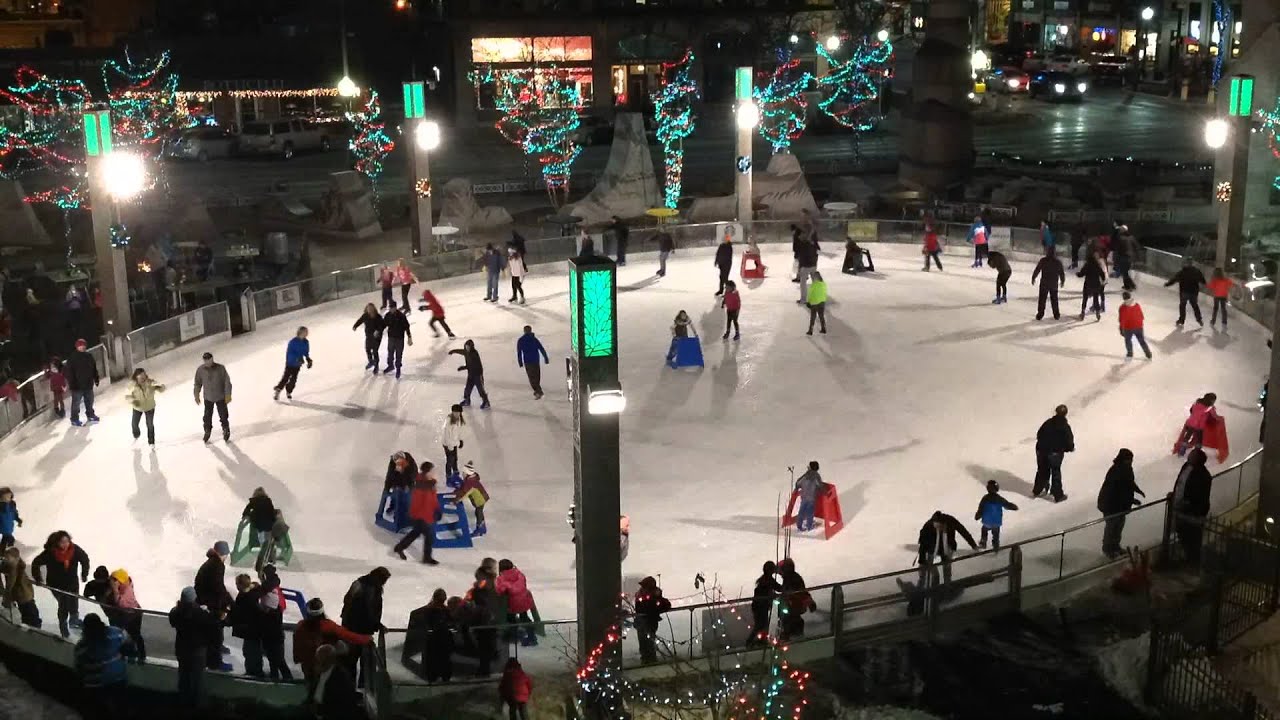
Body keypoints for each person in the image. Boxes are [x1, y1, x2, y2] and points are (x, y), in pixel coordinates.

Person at [294, 597, 372, 693]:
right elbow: (349, 636)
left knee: (311, 686)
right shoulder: (328, 626)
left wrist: (298, 658)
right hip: (324, 664)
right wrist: (366, 639)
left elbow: (297, 645)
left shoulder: (300, 626)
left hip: (307, 665)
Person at [31, 530, 90, 638]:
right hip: (56, 585)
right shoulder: (51, 553)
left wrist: (84, 573)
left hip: (72, 583)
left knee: (73, 602)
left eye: (67, 541)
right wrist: (38, 578)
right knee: (64, 605)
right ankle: (63, 627)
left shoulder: (74, 550)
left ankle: (74, 620)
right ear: (57, 542)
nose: (65, 544)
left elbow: (84, 559)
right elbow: (36, 563)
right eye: (62, 542)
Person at [169, 586, 221, 707]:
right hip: (197, 651)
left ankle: (183, 703)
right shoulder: (201, 614)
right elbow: (213, 629)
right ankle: (198, 705)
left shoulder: (176, 612)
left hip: (182, 649)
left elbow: (172, 619)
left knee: (184, 677)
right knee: (198, 679)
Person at [74, 612, 132, 716]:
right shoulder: (116, 633)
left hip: (95, 686)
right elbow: (129, 646)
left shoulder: (82, 646)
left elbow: (79, 669)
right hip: (118, 680)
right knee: (121, 709)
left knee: (98, 711)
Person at [341, 567, 391, 685]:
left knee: (366, 662)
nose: (384, 583)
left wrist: (377, 624)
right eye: (383, 580)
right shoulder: (360, 585)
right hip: (354, 631)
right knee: (352, 661)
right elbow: (349, 602)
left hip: (363, 631)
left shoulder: (373, 587)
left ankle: (363, 687)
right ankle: (351, 687)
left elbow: (371, 611)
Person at [1096, 449, 1144, 558]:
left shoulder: (1127, 469)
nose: (1131, 461)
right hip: (1111, 506)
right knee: (1112, 527)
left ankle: (1115, 546)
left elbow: (1129, 484)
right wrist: (1132, 500)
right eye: (1129, 459)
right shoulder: (1116, 471)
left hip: (1120, 506)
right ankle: (1108, 549)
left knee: (1118, 527)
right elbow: (1117, 491)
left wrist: (1137, 491)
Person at [194, 540, 233, 672]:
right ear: (224, 554)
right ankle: (215, 662)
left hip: (205, 601)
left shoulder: (210, 563)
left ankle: (216, 651)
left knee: (214, 631)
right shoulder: (217, 565)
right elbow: (218, 587)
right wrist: (226, 603)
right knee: (215, 633)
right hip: (210, 603)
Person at [393, 465, 440, 565]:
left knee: (416, 533)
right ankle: (427, 558)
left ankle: (399, 547)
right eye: (432, 471)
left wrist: (437, 509)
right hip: (420, 515)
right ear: (427, 472)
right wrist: (423, 515)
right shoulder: (420, 485)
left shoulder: (431, 484)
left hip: (425, 514)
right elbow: (418, 502)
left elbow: (433, 499)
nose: (434, 473)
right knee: (429, 535)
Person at [916, 511, 978, 586]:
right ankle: (931, 582)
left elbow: (962, 530)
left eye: (940, 526)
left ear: (944, 524)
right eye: (936, 526)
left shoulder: (951, 521)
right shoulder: (928, 526)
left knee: (947, 565)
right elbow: (922, 545)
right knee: (930, 567)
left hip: (947, 547)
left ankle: (947, 584)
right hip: (932, 547)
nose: (938, 528)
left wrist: (973, 545)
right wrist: (922, 561)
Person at [1172, 448, 1212, 562]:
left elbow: (1200, 495)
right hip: (1181, 507)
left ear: (1197, 459)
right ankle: (1187, 557)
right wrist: (1174, 494)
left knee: (1192, 536)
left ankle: (1193, 560)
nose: (1189, 456)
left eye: (1192, 455)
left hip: (1193, 512)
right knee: (1181, 532)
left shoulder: (1204, 475)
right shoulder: (1186, 466)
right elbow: (1180, 482)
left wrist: (1188, 503)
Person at [1033, 405, 1074, 502]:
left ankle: (1037, 490)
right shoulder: (1065, 427)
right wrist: (1068, 448)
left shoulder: (1048, 423)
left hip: (1041, 450)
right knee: (1056, 472)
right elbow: (1069, 442)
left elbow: (1039, 434)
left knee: (1042, 470)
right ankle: (1058, 495)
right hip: (1055, 453)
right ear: (1065, 413)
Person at [311, 644, 362, 718]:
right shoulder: (320, 674)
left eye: (318, 660)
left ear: (328, 661)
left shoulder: (340, 678)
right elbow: (312, 696)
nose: (315, 662)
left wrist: (317, 709)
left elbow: (337, 706)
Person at [229, 573, 265, 677]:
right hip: (254, 629)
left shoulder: (245, 598)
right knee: (252, 651)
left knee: (250, 651)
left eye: (237, 584)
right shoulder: (254, 592)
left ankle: (254, 671)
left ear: (241, 585)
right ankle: (254, 670)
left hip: (250, 629)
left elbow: (238, 613)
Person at [193, 352, 232, 444]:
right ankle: (207, 430)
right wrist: (196, 395)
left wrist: (228, 394)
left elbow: (227, 382)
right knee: (207, 416)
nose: (207, 362)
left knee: (223, 415)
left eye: (209, 360)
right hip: (208, 397)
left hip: (220, 396)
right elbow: (197, 383)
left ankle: (226, 429)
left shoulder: (220, 368)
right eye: (205, 360)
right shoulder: (200, 370)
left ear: (212, 359)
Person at [497, 559, 536, 646]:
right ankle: (532, 636)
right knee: (524, 617)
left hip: (512, 605)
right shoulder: (520, 574)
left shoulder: (501, 579)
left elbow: (500, 590)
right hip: (524, 601)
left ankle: (514, 635)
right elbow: (523, 584)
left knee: (511, 619)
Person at [633, 576, 671, 663]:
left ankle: (649, 659)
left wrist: (657, 600)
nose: (642, 588)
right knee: (645, 642)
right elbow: (643, 608)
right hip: (644, 621)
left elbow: (663, 605)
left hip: (648, 622)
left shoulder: (649, 596)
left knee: (647, 641)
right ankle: (648, 658)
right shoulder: (643, 596)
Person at [2, 546, 40, 628]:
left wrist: (7, 596)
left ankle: (34, 627)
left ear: (16, 558)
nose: (6, 559)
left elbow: (10, 584)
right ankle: (30, 625)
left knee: (30, 613)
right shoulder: (14, 565)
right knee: (26, 612)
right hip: (23, 595)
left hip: (24, 595)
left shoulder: (14, 568)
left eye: (8, 558)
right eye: (5, 557)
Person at [778, 558, 815, 640]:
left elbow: (802, 592)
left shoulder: (793, 579)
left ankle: (791, 634)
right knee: (789, 619)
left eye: (781, 570)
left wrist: (810, 602)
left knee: (791, 619)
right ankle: (790, 633)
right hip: (791, 604)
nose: (780, 574)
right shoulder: (788, 578)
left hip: (794, 604)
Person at [126, 367, 165, 445]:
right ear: (136, 377)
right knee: (134, 424)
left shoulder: (150, 382)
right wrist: (133, 401)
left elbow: (161, 389)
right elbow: (127, 395)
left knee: (150, 425)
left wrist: (161, 386)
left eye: (144, 375)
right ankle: (136, 435)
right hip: (138, 407)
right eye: (141, 376)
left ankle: (151, 443)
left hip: (149, 407)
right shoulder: (132, 385)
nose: (143, 378)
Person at [974, 480, 1018, 550]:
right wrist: (1014, 507)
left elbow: (981, 509)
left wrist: (977, 516)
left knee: (984, 530)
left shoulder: (985, 498)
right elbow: (1007, 505)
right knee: (996, 533)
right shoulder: (999, 498)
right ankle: (996, 544)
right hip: (996, 522)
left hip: (987, 521)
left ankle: (983, 542)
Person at [66, 338, 100, 427]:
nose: (82, 347)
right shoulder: (72, 358)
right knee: (76, 404)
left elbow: (93, 368)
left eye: (83, 345)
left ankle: (90, 415)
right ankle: (74, 419)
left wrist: (96, 378)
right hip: (77, 386)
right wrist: (72, 384)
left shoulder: (89, 356)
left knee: (90, 401)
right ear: (77, 347)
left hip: (88, 384)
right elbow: (69, 372)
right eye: (80, 345)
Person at [1164, 257, 1207, 327]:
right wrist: (1202, 286)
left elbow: (1174, 279)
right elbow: (1203, 281)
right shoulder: (1197, 271)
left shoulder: (1183, 271)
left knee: (1182, 306)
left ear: (1186, 263)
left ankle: (1181, 320)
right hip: (1194, 292)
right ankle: (1199, 319)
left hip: (1184, 292)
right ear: (1192, 263)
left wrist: (1167, 284)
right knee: (1195, 305)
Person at [273, 326, 312, 400]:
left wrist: (308, 359)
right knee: (285, 378)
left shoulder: (306, 342)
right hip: (290, 364)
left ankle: (289, 391)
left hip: (297, 365)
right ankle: (278, 391)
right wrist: (297, 359)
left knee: (293, 380)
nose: (307, 333)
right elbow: (290, 353)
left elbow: (305, 352)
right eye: (306, 331)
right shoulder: (293, 342)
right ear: (301, 332)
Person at [748, 561, 781, 646]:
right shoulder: (767, 580)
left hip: (760, 606)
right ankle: (751, 641)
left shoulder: (765, 579)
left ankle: (760, 640)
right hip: (760, 606)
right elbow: (778, 588)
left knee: (762, 624)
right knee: (761, 625)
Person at [454, 461, 491, 537]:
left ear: (467, 473)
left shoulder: (470, 482)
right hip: (482, 498)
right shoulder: (471, 479)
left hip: (480, 500)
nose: (462, 474)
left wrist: (457, 500)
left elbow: (465, 493)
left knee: (478, 513)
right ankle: (482, 528)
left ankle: (479, 529)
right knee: (479, 512)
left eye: (464, 473)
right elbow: (463, 488)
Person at [450, 339, 489, 409]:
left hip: (477, 375)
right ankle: (467, 401)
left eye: (468, 347)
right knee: (467, 389)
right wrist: (453, 351)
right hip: (471, 374)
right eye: (466, 347)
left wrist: (463, 367)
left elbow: (472, 365)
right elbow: (461, 351)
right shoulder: (466, 352)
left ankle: (486, 402)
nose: (467, 348)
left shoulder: (474, 354)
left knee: (480, 390)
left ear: (472, 347)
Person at [1031, 247, 1065, 321]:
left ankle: (1040, 314)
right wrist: (1062, 281)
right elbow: (1061, 273)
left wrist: (1033, 277)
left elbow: (1037, 269)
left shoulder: (1043, 260)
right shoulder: (1058, 262)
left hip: (1044, 283)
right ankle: (1056, 314)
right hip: (1053, 284)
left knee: (1042, 299)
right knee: (1054, 300)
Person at [516, 325, 550, 399]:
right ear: (530, 330)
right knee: (537, 377)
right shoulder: (534, 339)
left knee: (532, 378)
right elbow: (541, 348)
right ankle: (538, 391)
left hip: (528, 361)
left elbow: (519, 352)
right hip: (536, 360)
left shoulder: (521, 340)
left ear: (524, 331)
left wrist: (520, 362)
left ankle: (538, 392)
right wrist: (546, 358)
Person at [1117, 292, 1153, 359]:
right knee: (1141, 340)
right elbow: (1142, 316)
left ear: (1123, 298)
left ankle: (1130, 353)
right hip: (1139, 326)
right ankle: (1148, 353)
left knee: (1128, 340)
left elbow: (1121, 319)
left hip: (1128, 327)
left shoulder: (1122, 307)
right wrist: (1140, 323)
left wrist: (1121, 328)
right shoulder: (1137, 305)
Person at [352, 303, 386, 373]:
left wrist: (378, 331)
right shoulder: (365, 315)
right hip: (368, 336)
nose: (370, 310)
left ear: (374, 309)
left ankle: (376, 365)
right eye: (368, 308)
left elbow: (382, 325)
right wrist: (355, 326)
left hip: (376, 337)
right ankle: (371, 361)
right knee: (367, 349)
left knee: (375, 350)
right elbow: (360, 320)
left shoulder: (378, 317)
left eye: (371, 308)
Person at [382, 304, 412, 379]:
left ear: (395, 308)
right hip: (391, 337)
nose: (391, 310)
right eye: (390, 308)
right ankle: (390, 365)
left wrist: (409, 337)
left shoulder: (401, 316)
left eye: (392, 308)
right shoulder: (388, 315)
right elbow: (383, 324)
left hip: (399, 338)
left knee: (399, 354)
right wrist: (378, 331)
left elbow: (406, 326)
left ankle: (398, 368)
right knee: (390, 352)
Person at [794, 461, 823, 532]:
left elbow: (798, 483)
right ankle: (809, 526)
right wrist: (822, 491)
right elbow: (820, 486)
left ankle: (799, 525)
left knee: (802, 511)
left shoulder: (806, 475)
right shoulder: (816, 476)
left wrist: (798, 488)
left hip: (804, 496)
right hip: (811, 497)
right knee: (810, 512)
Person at [1077, 251, 1107, 321]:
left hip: (1088, 284)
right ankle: (1097, 313)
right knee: (1096, 299)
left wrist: (1078, 274)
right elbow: (1102, 274)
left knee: (1085, 298)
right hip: (1096, 284)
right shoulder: (1097, 265)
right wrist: (1103, 280)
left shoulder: (1087, 265)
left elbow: (1081, 274)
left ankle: (1083, 312)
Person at [441, 405, 467, 478]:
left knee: (455, 458)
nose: (456, 414)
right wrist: (451, 446)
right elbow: (447, 437)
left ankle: (455, 469)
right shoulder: (449, 422)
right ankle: (448, 474)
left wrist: (460, 440)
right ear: (452, 412)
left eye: (458, 412)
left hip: (454, 443)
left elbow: (459, 431)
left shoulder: (459, 420)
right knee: (450, 460)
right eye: (455, 412)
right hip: (447, 444)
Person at [796, 233, 819, 303]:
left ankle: (803, 299)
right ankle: (817, 297)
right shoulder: (813, 244)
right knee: (815, 282)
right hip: (813, 265)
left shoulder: (802, 245)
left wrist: (799, 269)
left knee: (803, 284)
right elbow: (817, 254)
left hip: (805, 266)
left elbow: (801, 257)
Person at [805, 271, 828, 336]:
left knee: (813, 317)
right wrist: (823, 300)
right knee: (821, 316)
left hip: (814, 303)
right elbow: (825, 293)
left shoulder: (814, 285)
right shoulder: (824, 284)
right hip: (822, 302)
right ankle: (823, 328)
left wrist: (808, 301)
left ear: (815, 277)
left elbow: (810, 294)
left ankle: (810, 330)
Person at [0, 486, 22, 552]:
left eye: (9, 496)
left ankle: (4, 551)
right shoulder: (1, 506)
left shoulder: (12, 504)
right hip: (3, 526)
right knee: (8, 539)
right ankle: (5, 552)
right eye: (4, 497)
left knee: (7, 538)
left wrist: (18, 519)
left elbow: (14, 513)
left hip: (9, 525)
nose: (7, 498)